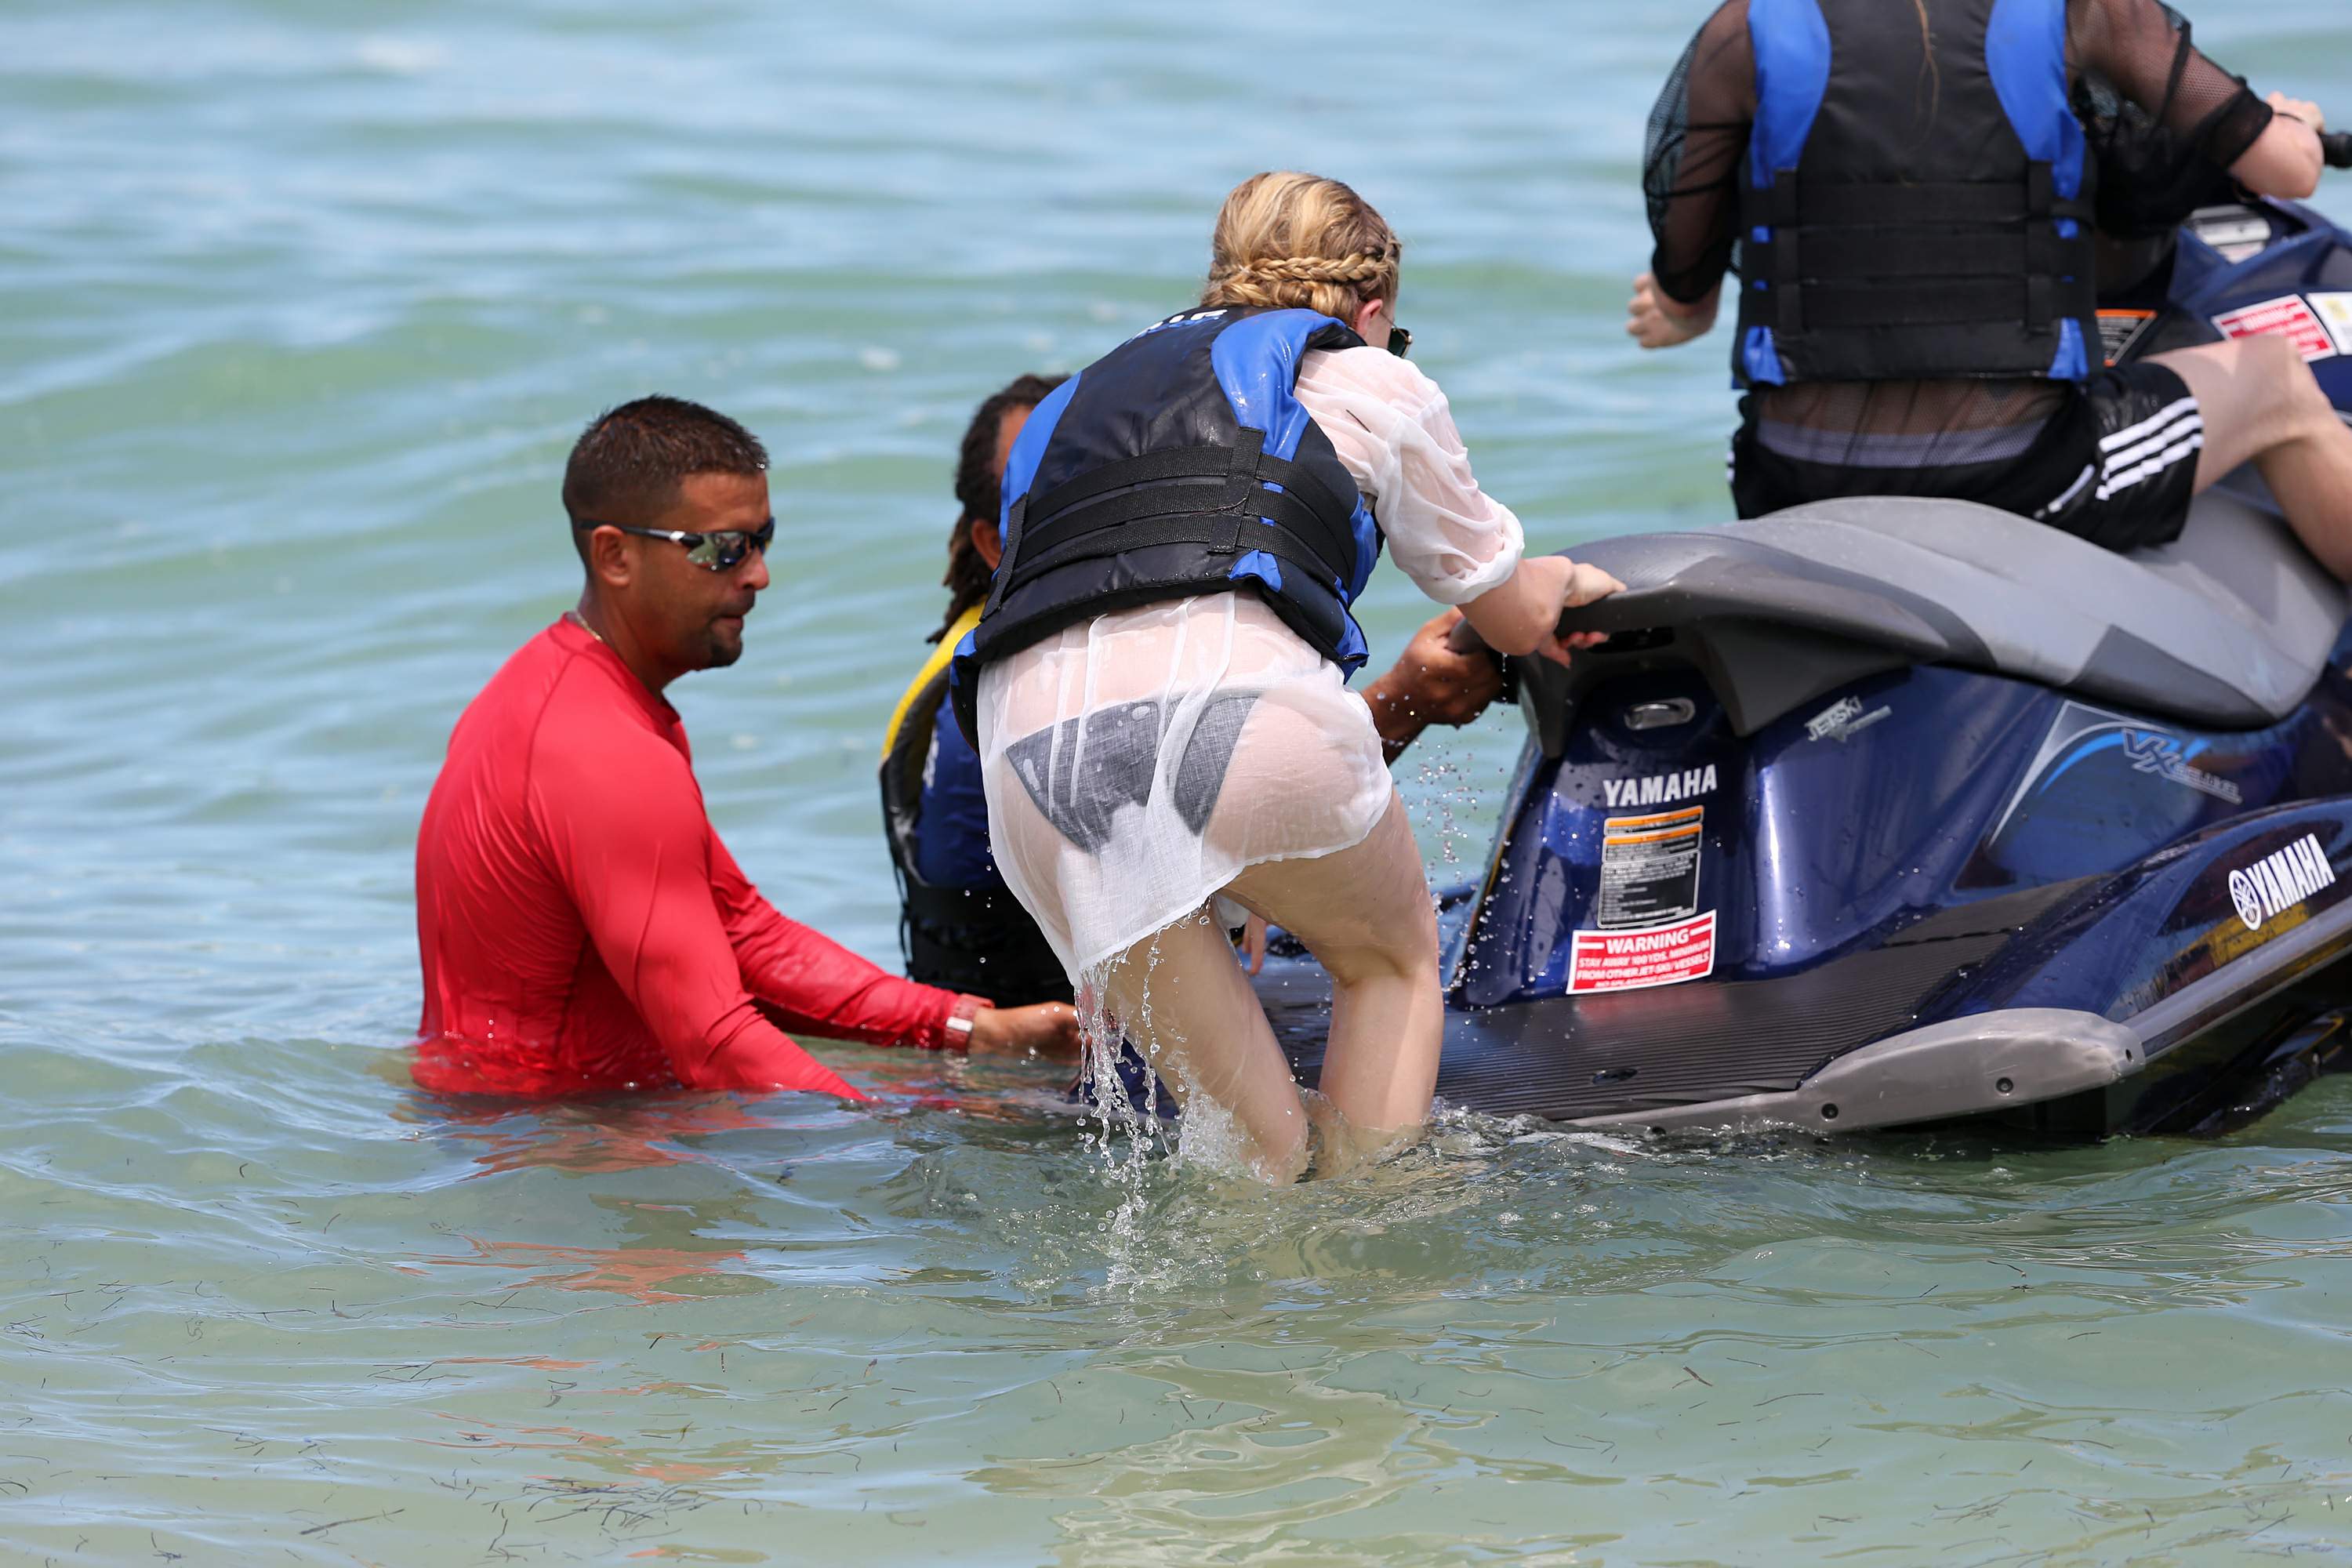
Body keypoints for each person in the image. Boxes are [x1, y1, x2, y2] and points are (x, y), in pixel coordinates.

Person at [948, 172, 1624, 1181]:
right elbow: (1511, 611)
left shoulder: (1080, 400)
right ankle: (1373, 1280)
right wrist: (1567, 577)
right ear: (1375, 309)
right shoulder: (1364, 375)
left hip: (1034, 776)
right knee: (1392, 963)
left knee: (1257, 1156)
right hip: (1243, 724)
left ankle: (1238, 1326)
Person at [412, 395, 1080, 1101]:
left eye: (763, 539)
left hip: (508, 1133)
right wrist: (900, 1133)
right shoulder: (603, 750)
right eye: (723, 549)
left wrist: (968, 1026)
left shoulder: (566, 691)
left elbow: (744, 935)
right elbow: (715, 1045)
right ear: (614, 554)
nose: (758, 573)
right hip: (557, 1152)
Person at [1627, 0, 2352, 578]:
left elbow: (1685, 284)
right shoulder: (2090, 11)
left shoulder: (1743, 29)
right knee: (2278, 380)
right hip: (2019, 481)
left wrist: (1681, 310)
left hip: (1785, 484)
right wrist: (2294, 124)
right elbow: (2287, 172)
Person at [884, 374, 1515, 1004]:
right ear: (995, 545)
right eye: (1061, 504)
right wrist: (1411, 697)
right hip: (1045, 1059)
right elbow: (1199, 825)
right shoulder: (1012, 690)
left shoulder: (1004, 645)